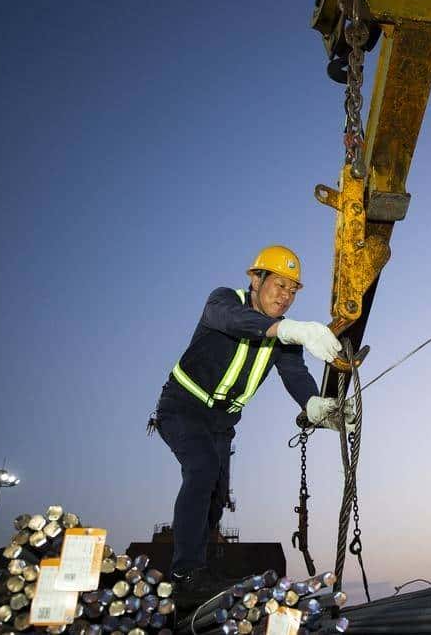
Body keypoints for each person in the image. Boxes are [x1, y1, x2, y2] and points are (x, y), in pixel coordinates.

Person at [150, 244, 347, 600]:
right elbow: (235, 322)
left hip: (222, 423)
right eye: (279, 285)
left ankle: (199, 564)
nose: (286, 297)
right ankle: (185, 571)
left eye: (292, 291)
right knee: (202, 468)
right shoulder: (224, 301)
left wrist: (314, 403)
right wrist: (287, 331)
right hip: (182, 407)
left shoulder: (284, 334)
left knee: (216, 495)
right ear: (256, 279)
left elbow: (295, 373)